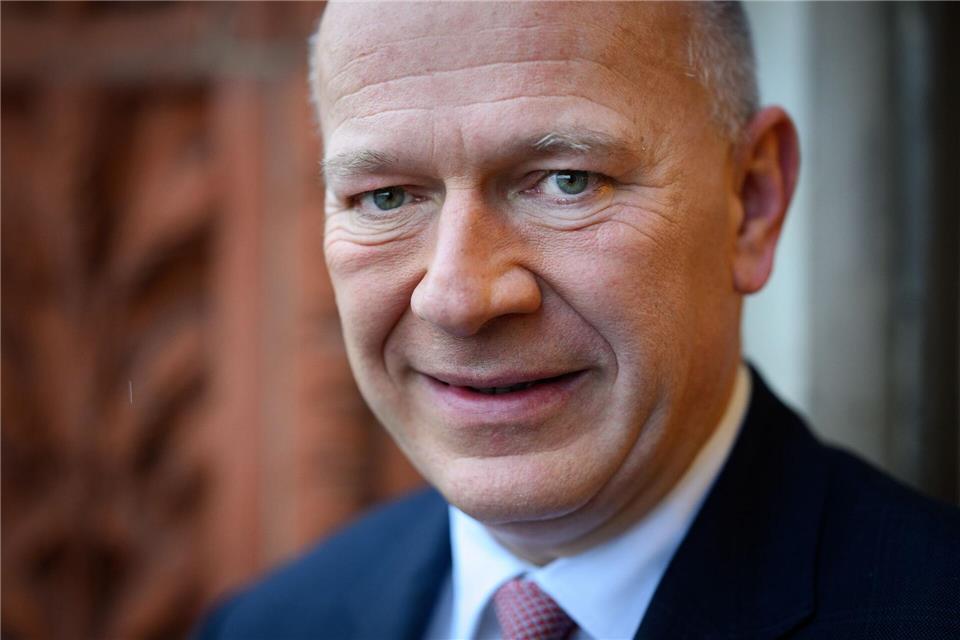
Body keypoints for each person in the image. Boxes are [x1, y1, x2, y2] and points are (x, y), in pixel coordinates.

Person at [195, 2, 960, 638]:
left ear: (752, 203)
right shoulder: (268, 625)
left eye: (567, 182)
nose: (458, 299)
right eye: (387, 197)